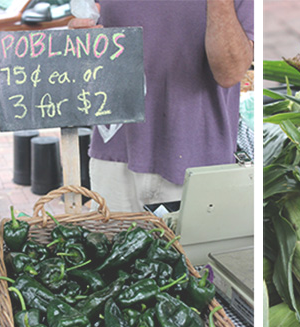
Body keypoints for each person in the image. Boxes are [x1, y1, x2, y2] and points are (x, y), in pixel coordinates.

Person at [69, 0, 254, 212]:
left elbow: (230, 72)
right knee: (105, 243)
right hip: (115, 155)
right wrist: (79, 36)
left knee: (190, 246)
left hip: (196, 161)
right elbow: (85, 32)